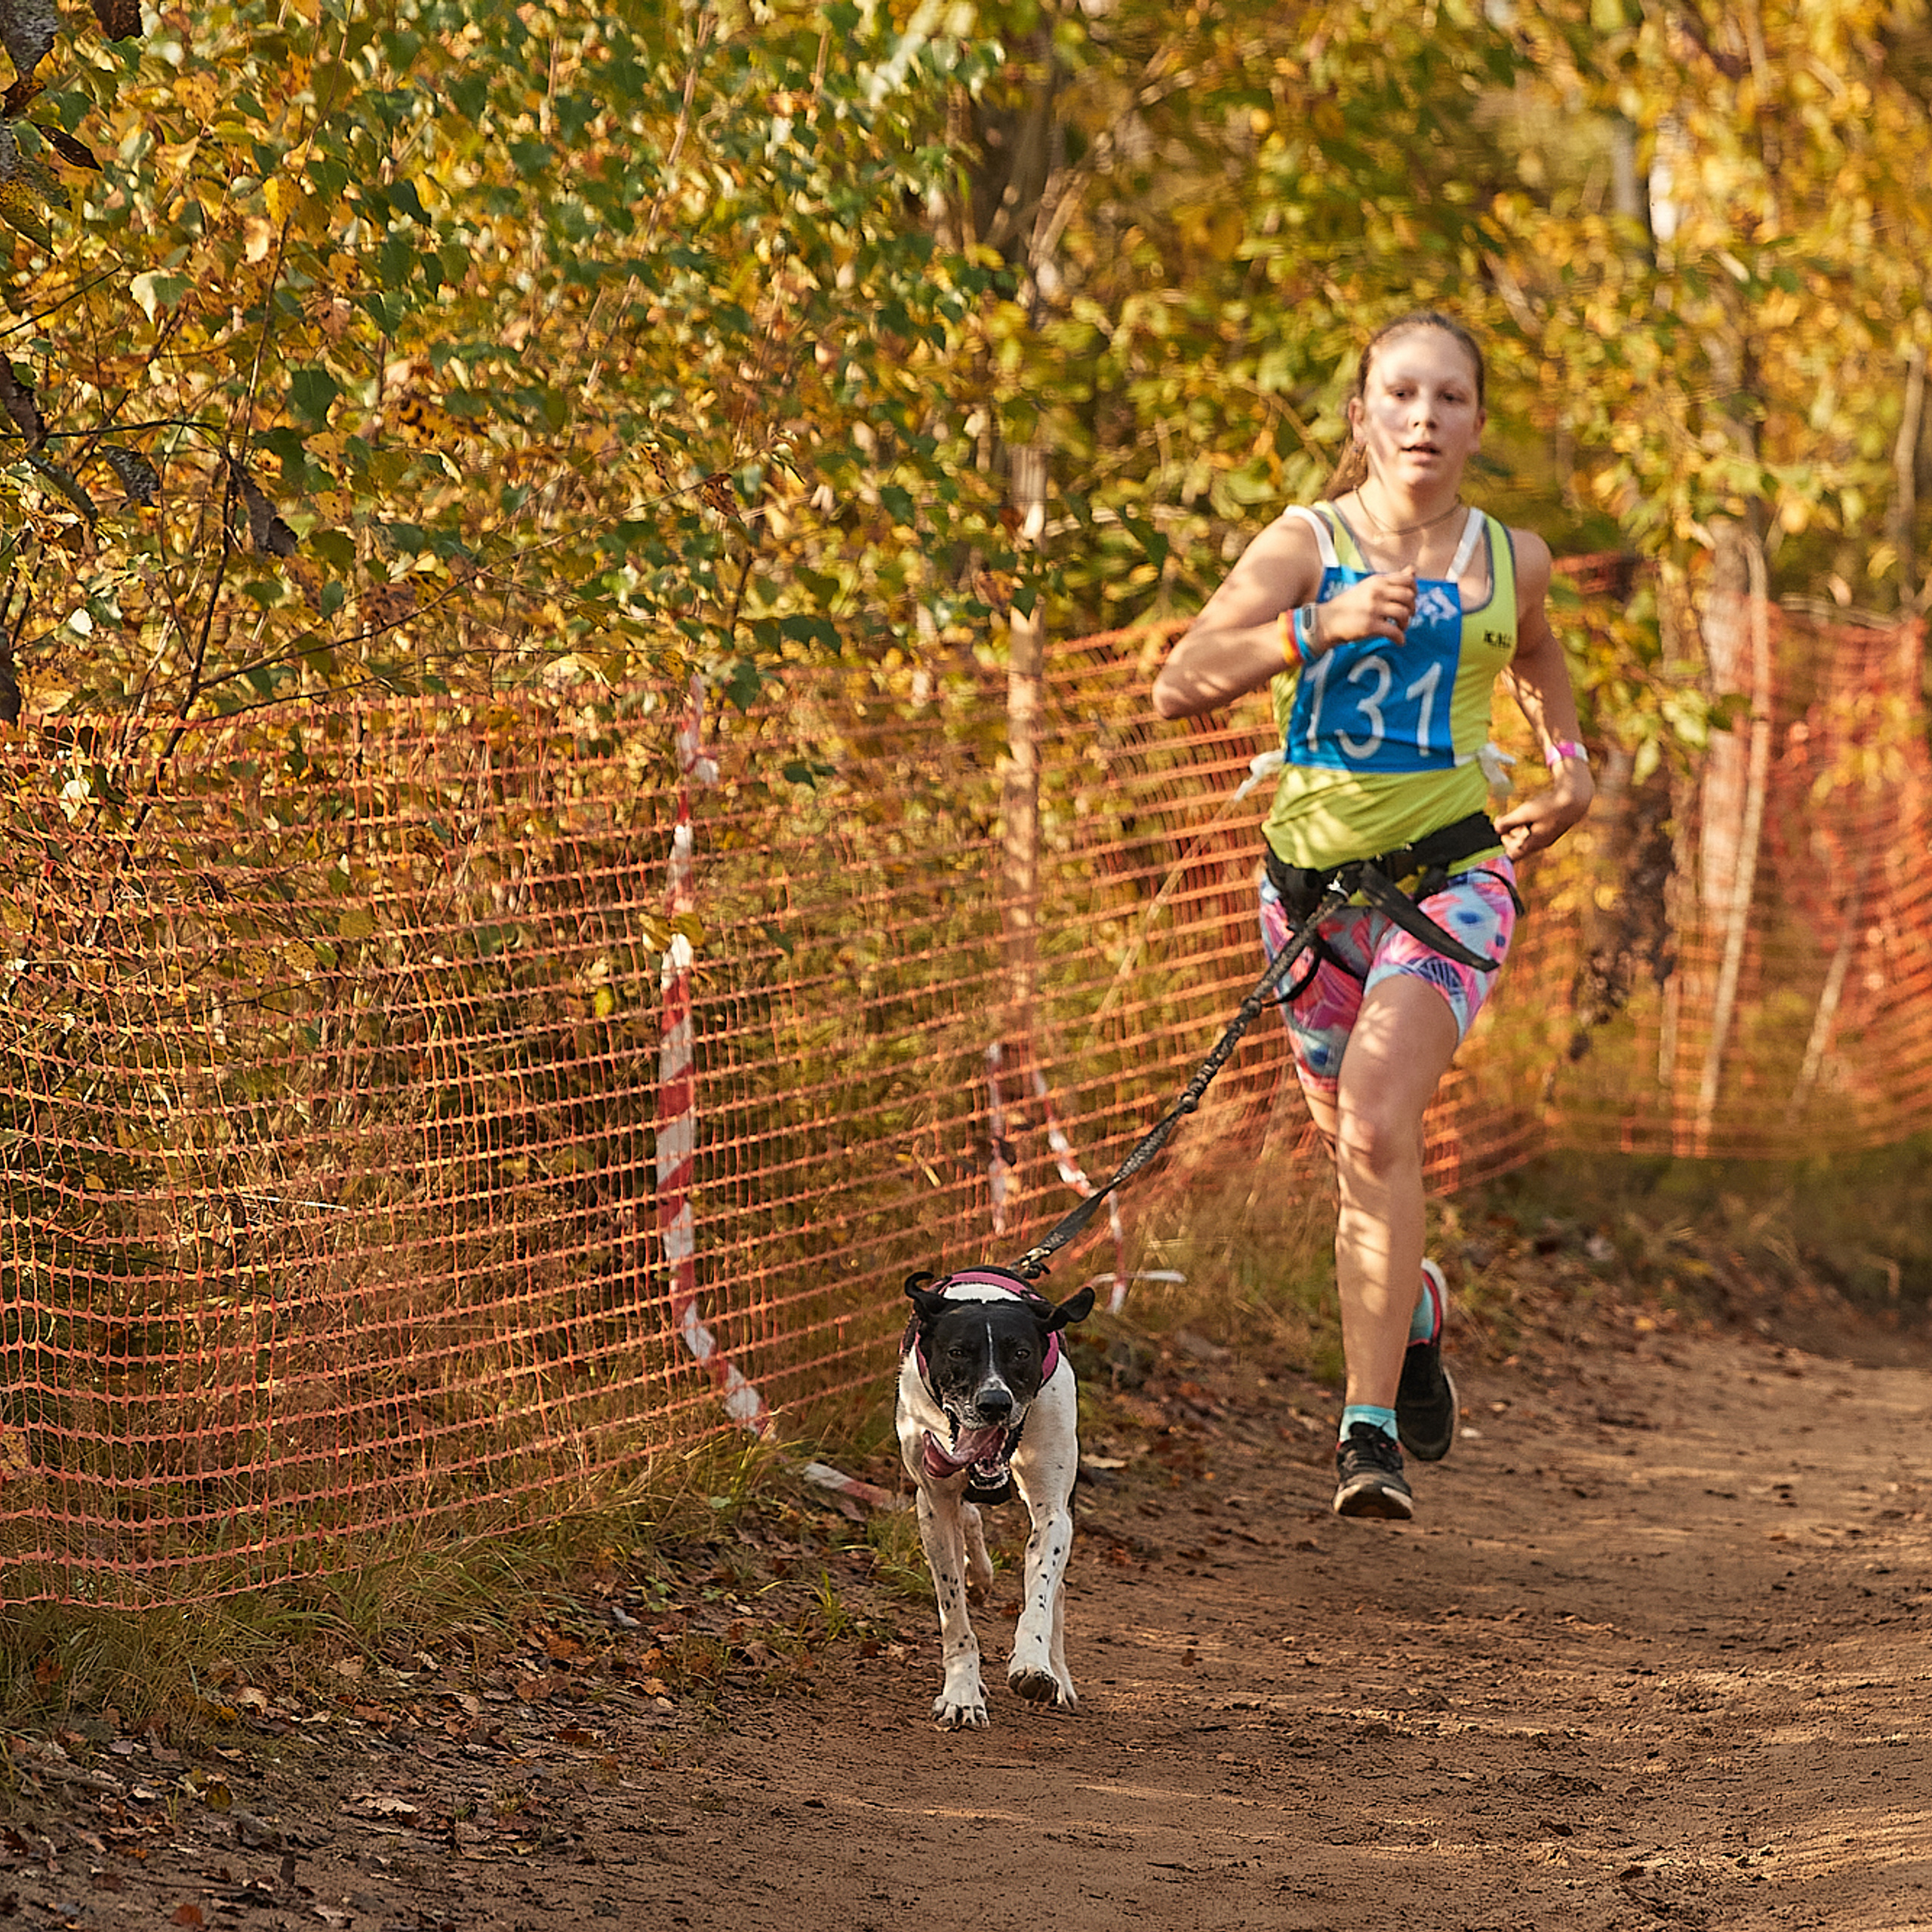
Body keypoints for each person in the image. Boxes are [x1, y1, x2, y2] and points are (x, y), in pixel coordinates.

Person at [1151, 309, 1594, 1520]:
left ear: (1478, 424)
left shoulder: (1514, 559)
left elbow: (1541, 660)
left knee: (1380, 1116)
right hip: (1308, 901)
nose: (1424, 419)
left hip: (1453, 877)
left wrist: (1570, 762)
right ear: (1361, 416)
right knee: (1359, 1155)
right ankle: (1421, 1308)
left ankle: (1366, 1435)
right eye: (1400, 394)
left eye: (1450, 399)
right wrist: (1317, 627)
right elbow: (1178, 682)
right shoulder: (1308, 543)